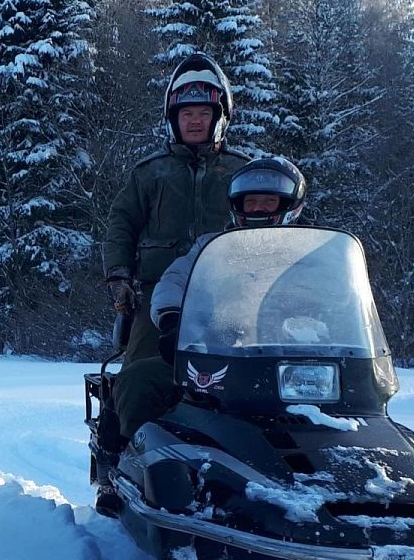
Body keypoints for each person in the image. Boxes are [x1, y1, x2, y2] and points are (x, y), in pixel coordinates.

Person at [112, 156, 309, 443]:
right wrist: (172, 320)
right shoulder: (214, 246)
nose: (257, 208)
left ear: (289, 205)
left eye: (268, 201)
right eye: (250, 201)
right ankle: (131, 455)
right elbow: (176, 278)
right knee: (140, 378)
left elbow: (342, 302)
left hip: (295, 367)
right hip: (217, 357)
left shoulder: (312, 253)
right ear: (236, 205)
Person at [101, 53, 251, 369]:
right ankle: (135, 419)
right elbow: (121, 223)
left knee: (254, 370)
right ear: (173, 119)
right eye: (186, 114)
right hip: (158, 293)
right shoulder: (149, 173)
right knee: (140, 373)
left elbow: (272, 227)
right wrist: (119, 276)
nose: (194, 120)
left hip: (229, 294)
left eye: (202, 112)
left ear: (219, 118)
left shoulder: (243, 172)